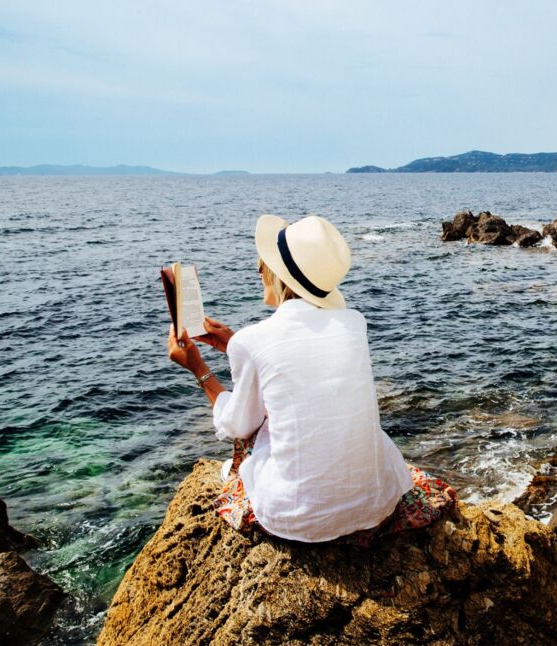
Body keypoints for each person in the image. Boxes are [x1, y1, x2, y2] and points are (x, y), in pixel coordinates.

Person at [166, 214, 455, 544]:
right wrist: (235, 345)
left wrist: (200, 371)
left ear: (277, 274)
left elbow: (236, 426)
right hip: (377, 506)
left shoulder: (255, 340)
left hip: (298, 520)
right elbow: (302, 364)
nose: (258, 269)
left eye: (264, 264)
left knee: (253, 431)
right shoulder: (353, 323)